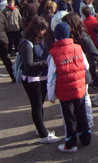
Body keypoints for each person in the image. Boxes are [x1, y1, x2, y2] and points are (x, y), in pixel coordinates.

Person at [47, 22, 91, 152]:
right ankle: (86, 137)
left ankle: (70, 143)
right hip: (79, 88)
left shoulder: (54, 53)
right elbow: (86, 66)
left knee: (69, 118)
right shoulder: (78, 48)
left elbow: (51, 77)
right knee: (81, 113)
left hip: (64, 91)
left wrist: (51, 95)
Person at [19, 16, 61, 144]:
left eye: (44, 30)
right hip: (32, 78)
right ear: (34, 28)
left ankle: (40, 128)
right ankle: (43, 134)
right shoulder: (26, 43)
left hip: (41, 77)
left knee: (39, 105)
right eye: (40, 29)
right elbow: (28, 65)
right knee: (37, 106)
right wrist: (47, 62)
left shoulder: (41, 40)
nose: (43, 32)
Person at [62, 13, 98, 128]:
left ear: (72, 24)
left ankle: (89, 120)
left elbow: (95, 54)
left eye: (66, 24)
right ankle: (79, 119)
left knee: (85, 98)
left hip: (82, 73)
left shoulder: (83, 37)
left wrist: (83, 64)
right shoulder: (70, 35)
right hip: (72, 74)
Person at [0, 10, 15, 82]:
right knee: (6, 59)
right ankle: (13, 75)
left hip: (2, 39)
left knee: (6, 59)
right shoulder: (1, 15)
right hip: (3, 39)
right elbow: (7, 26)